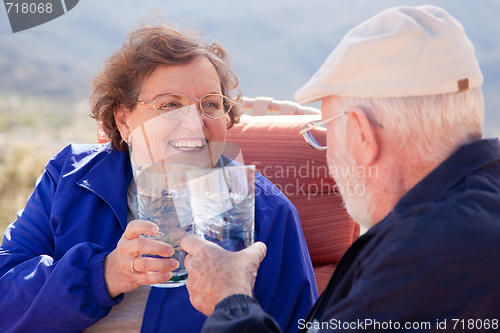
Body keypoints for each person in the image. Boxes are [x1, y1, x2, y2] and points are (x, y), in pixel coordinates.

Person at [180, 5, 500, 332]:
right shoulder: (471, 211)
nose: (329, 156)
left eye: (328, 133)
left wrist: (230, 300)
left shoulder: (422, 260)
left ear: (363, 135)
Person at [0, 24, 317, 332]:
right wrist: (105, 274)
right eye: (170, 105)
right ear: (124, 120)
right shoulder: (70, 176)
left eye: (210, 104)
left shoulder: (267, 212)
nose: (194, 124)